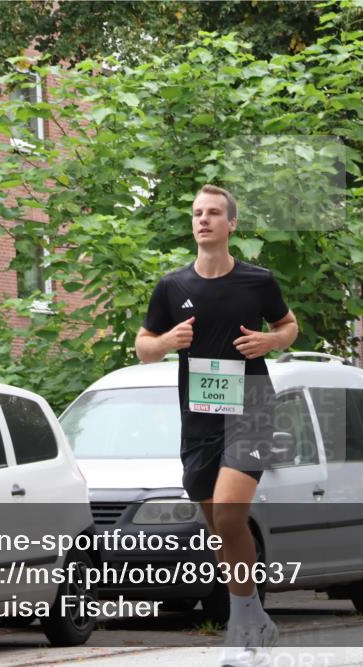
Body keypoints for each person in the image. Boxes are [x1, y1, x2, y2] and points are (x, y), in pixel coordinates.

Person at [136, 184, 298, 666]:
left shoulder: (257, 281)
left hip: (252, 405)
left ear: (231, 225)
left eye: (213, 213)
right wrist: (167, 340)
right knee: (219, 527)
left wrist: (271, 341)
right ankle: (253, 619)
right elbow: (143, 348)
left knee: (228, 513)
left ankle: (240, 622)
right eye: (197, 213)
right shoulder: (172, 286)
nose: (203, 220)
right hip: (199, 414)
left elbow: (290, 326)